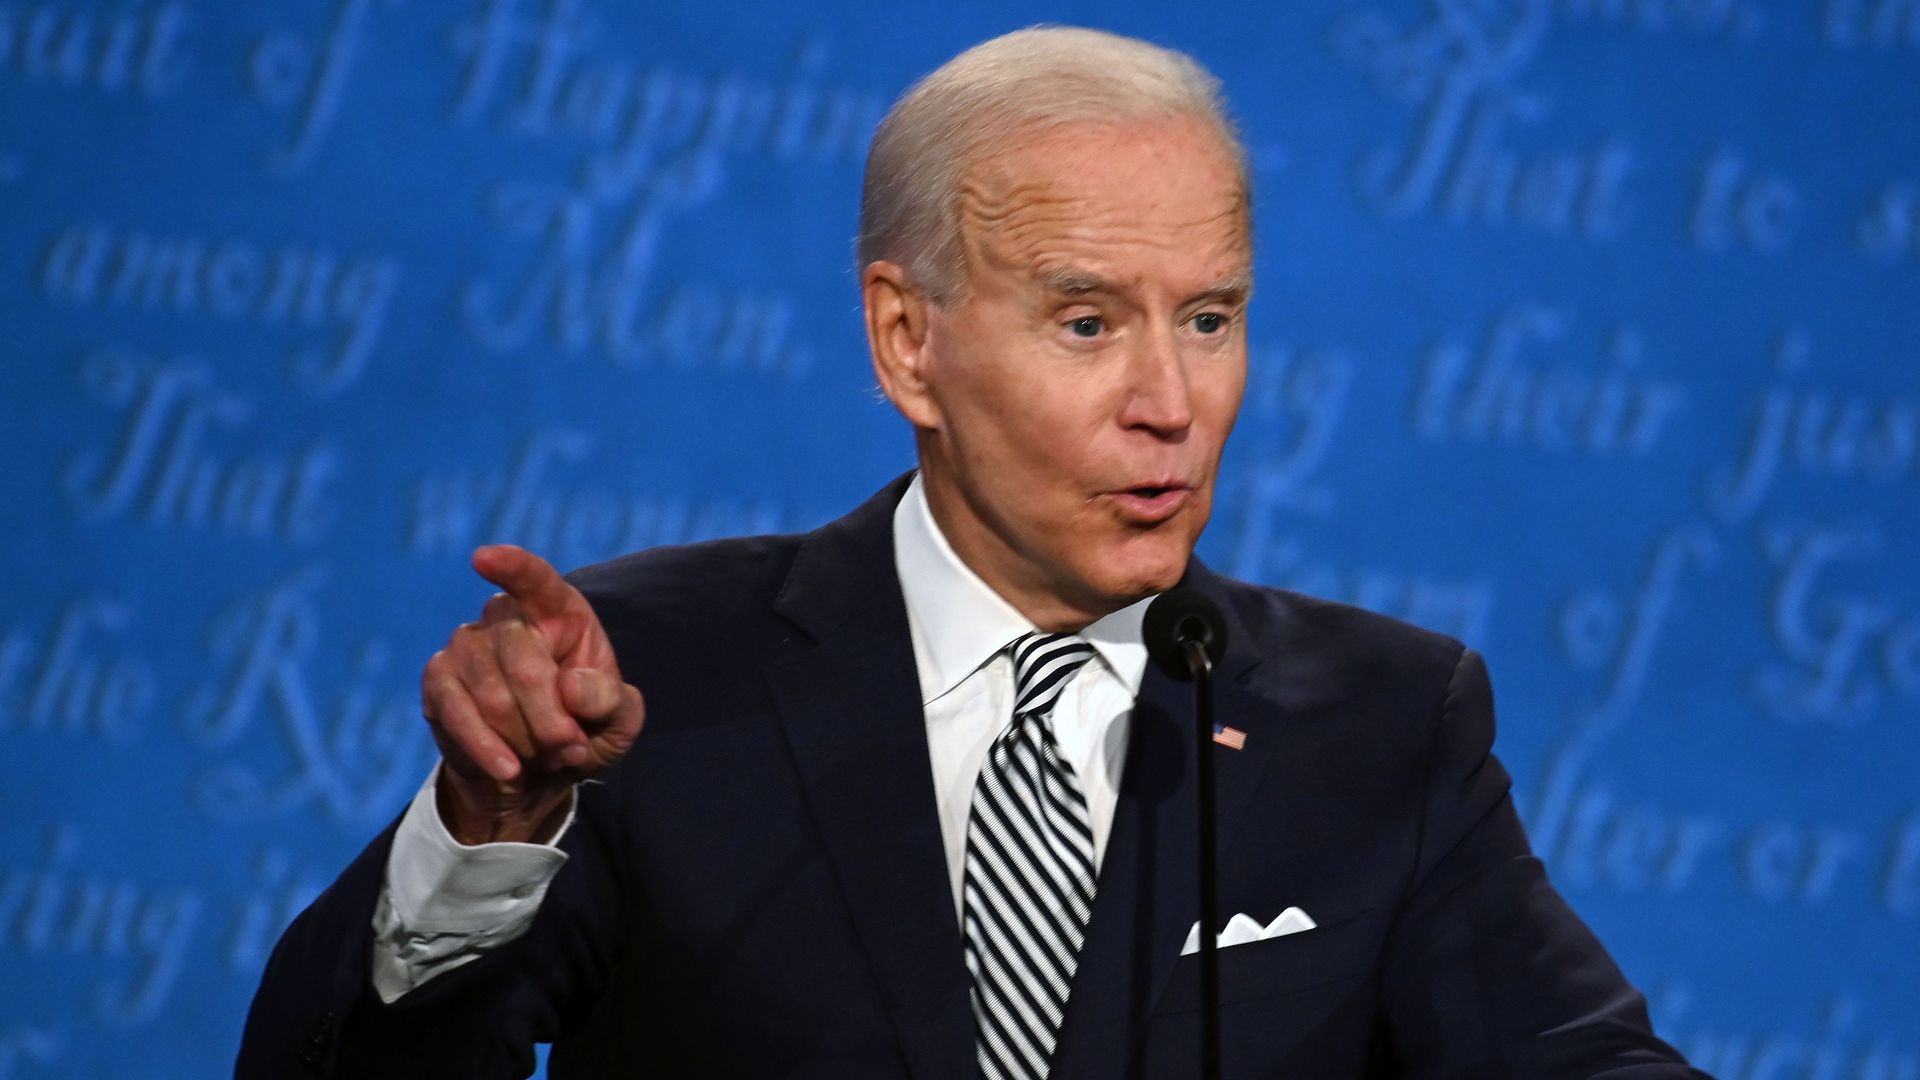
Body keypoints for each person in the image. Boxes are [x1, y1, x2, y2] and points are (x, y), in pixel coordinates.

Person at [236, 26, 1708, 1079]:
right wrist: (493, 836)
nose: (1170, 402)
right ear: (907, 341)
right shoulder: (654, 681)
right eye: (1087, 321)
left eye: (1209, 316)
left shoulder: (1384, 725)